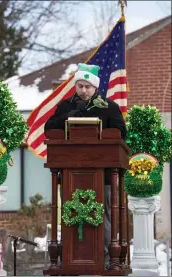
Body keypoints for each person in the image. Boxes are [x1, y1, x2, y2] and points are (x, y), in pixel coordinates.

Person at [44, 63, 126, 266]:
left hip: (104, 176)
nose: (83, 90)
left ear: (95, 87)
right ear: (75, 86)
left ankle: (107, 261)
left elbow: (120, 134)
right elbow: (49, 129)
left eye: (87, 86)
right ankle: (71, 260)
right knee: (70, 215)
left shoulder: (109, 107)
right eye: (80, 86)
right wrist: (71, 116)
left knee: (104, 216)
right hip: (71, 176)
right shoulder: (65, 106)